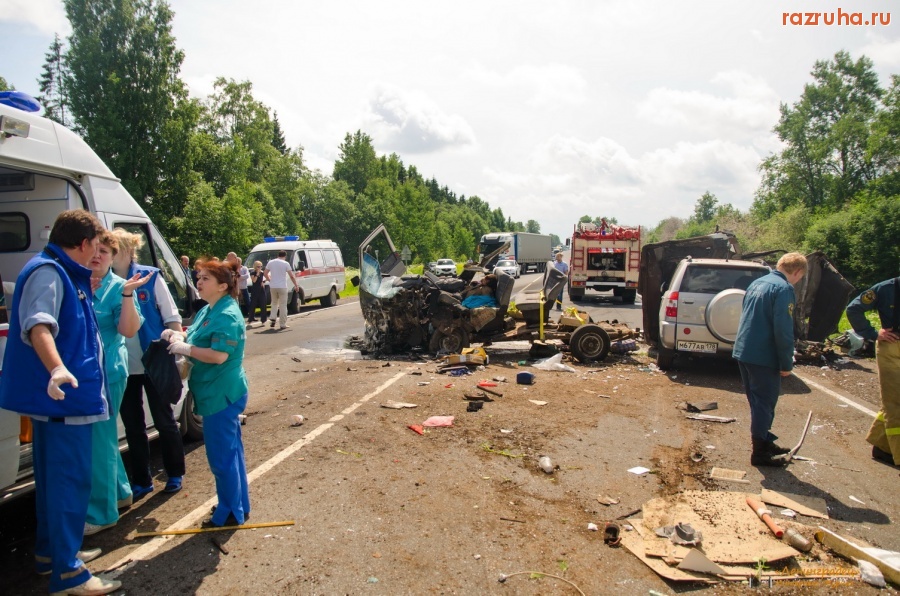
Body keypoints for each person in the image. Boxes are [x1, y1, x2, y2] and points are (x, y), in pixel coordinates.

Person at [0, 210, 122, 594]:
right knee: (70, 483)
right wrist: (56, 368)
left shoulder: (55, 269)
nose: (97, 255)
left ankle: (53, 554)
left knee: (55, 484)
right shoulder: (50, 272)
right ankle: (68, 572)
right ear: (83, 243)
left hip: (59, 403)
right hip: (65, 403)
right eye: (95, 247)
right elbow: (38, 325)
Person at [165, 260, 250, 527]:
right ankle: (237, 504)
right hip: (213, 391)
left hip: (221, 394)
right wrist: (179, 336)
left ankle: (229, 512)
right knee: (230, 453)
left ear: (222, 286)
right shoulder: (209, 309)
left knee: (222, 458)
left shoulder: (226, 314)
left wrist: (186, 349)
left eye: (205, 279)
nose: (198, 282)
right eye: (198, 277)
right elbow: (195, 334)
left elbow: (218, 355)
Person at [85, 232, 151, 536]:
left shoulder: (117, 287)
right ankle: (122, 493)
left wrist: (126, 296)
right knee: (104, 437)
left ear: (113, 257)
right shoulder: (79, 283)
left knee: (99, 440)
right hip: (86, 374)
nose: (98, 256)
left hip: (107, 372)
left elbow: (128, 330)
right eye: (94, 250)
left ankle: (102, 514)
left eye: (105, 251)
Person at [111, 228, 186, 498]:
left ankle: (175, 473)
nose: (108, 254)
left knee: (164, 420)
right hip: (124, 366)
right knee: (133, 427)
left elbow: (171, 315)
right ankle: (142, 480)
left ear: (129, 250)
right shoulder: (106, 281)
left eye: (114, 249)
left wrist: (178, 352)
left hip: (154, 360)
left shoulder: (150, 276)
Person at [732, 252, 808, 467]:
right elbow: (783, 330)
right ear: (798, 272)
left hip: (745, 351)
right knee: (764, 404)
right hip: (763, 355)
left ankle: (764, 441)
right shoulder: (784, 289)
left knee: (757, 402)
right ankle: (759, 453)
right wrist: (786, 362)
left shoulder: (758, 283)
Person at [846, 276, 900, 466]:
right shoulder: (887, 288)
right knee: (895, 403)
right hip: (892, 349)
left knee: (891, 401)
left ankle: (882, 447)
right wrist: (874, 333)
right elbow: (854, 309)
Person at [265, 250, 298, 330]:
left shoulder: (271, 262)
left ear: (278, 255)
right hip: (282, 286)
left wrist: (270, 280)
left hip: (273, 286)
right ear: (285, 256)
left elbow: (265, 273)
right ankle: (282, 323)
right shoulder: (286, 263)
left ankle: (273, 317)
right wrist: (296, 285)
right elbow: (291, 276)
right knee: (283, 304)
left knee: (274, 302)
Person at [247, 260, 268, 324]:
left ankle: (263, 319)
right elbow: (254, 281)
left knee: (263, 304)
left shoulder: (262, 273)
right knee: (253, 304)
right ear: (255, 267)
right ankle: (250, 318)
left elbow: (265, 279)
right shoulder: (252, 272)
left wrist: (263, 282)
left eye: (261, 266)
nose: (260, 268)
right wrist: (257, 274)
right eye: (258, 266)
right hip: (255, 290)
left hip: (261, 290)